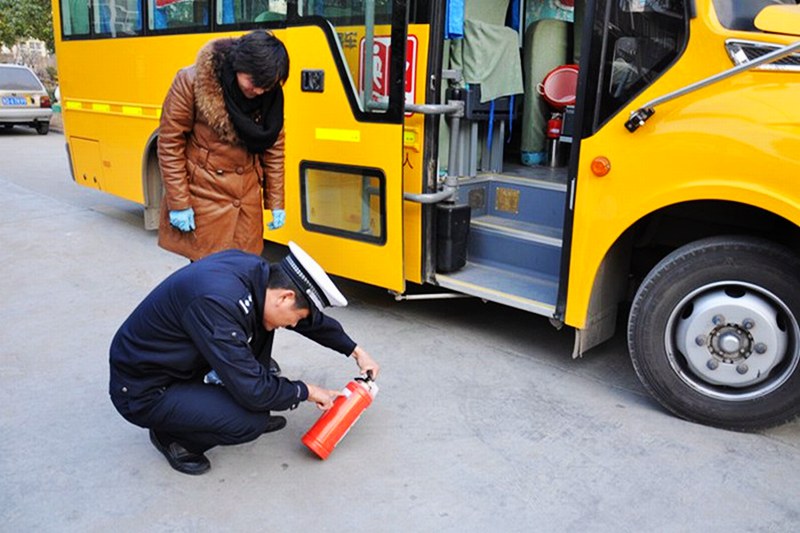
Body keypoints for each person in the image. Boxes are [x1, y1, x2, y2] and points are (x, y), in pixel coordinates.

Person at [108, 242, 380, 475]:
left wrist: (355, 351)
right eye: (295, 318)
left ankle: (228, 403)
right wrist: (304, 391)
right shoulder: (217, 301)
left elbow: (309, 321)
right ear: (286, 296)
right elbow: (255, 389)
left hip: (182, 360)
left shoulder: (260, 277)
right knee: (249, 422)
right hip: (145, 389)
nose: (293, 324)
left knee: (266, 324)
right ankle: (172, 435)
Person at [157, 30, 289, 262]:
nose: (259, 91)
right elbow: (170, 143)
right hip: (205, 199)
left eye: (266, 86)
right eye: (254, 82)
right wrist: (179, 203)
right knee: (206, 281)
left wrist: (276, 200)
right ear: (240, 64)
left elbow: (274, 148)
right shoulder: (192, 81)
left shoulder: (269, 93)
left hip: (246, 203)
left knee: (243, 274)